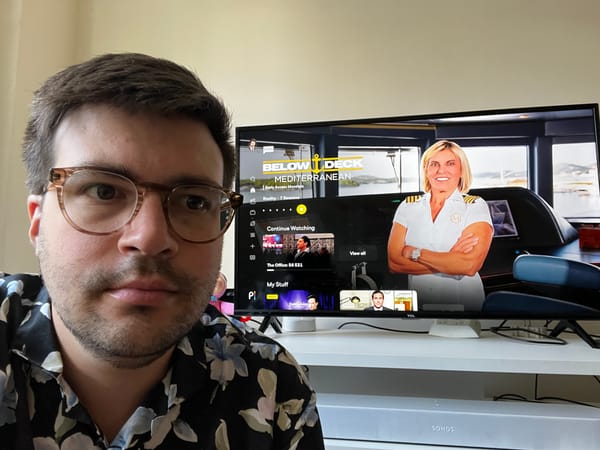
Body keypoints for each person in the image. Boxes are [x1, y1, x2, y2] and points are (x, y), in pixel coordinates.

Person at [0, 53, 324, 449]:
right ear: (37, 221)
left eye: (193, 202)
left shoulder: (273, 385)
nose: (151, 237)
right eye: (103, 191)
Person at [387, 140, 493, 311]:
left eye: (450, 164)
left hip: (464, 305)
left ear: (461, 170)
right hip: (418, 306)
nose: (441, 170)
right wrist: (450, 260)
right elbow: (395, 264)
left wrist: (414, 252)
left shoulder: (475, 206)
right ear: (426, 170)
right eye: (434, 164)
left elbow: (468, 266)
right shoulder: (408, 206)